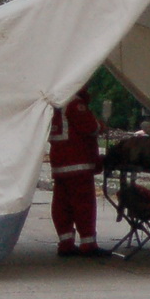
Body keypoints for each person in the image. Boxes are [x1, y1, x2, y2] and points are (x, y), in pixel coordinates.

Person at [49, 86, 102, 257]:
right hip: (78, 162)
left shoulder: (55, 102)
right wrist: (101, 124)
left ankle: (66, 242)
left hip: (59, 162)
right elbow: (90, 127)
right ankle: (88, 243)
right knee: (84, 204)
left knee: (62, 204)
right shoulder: (74, 103)